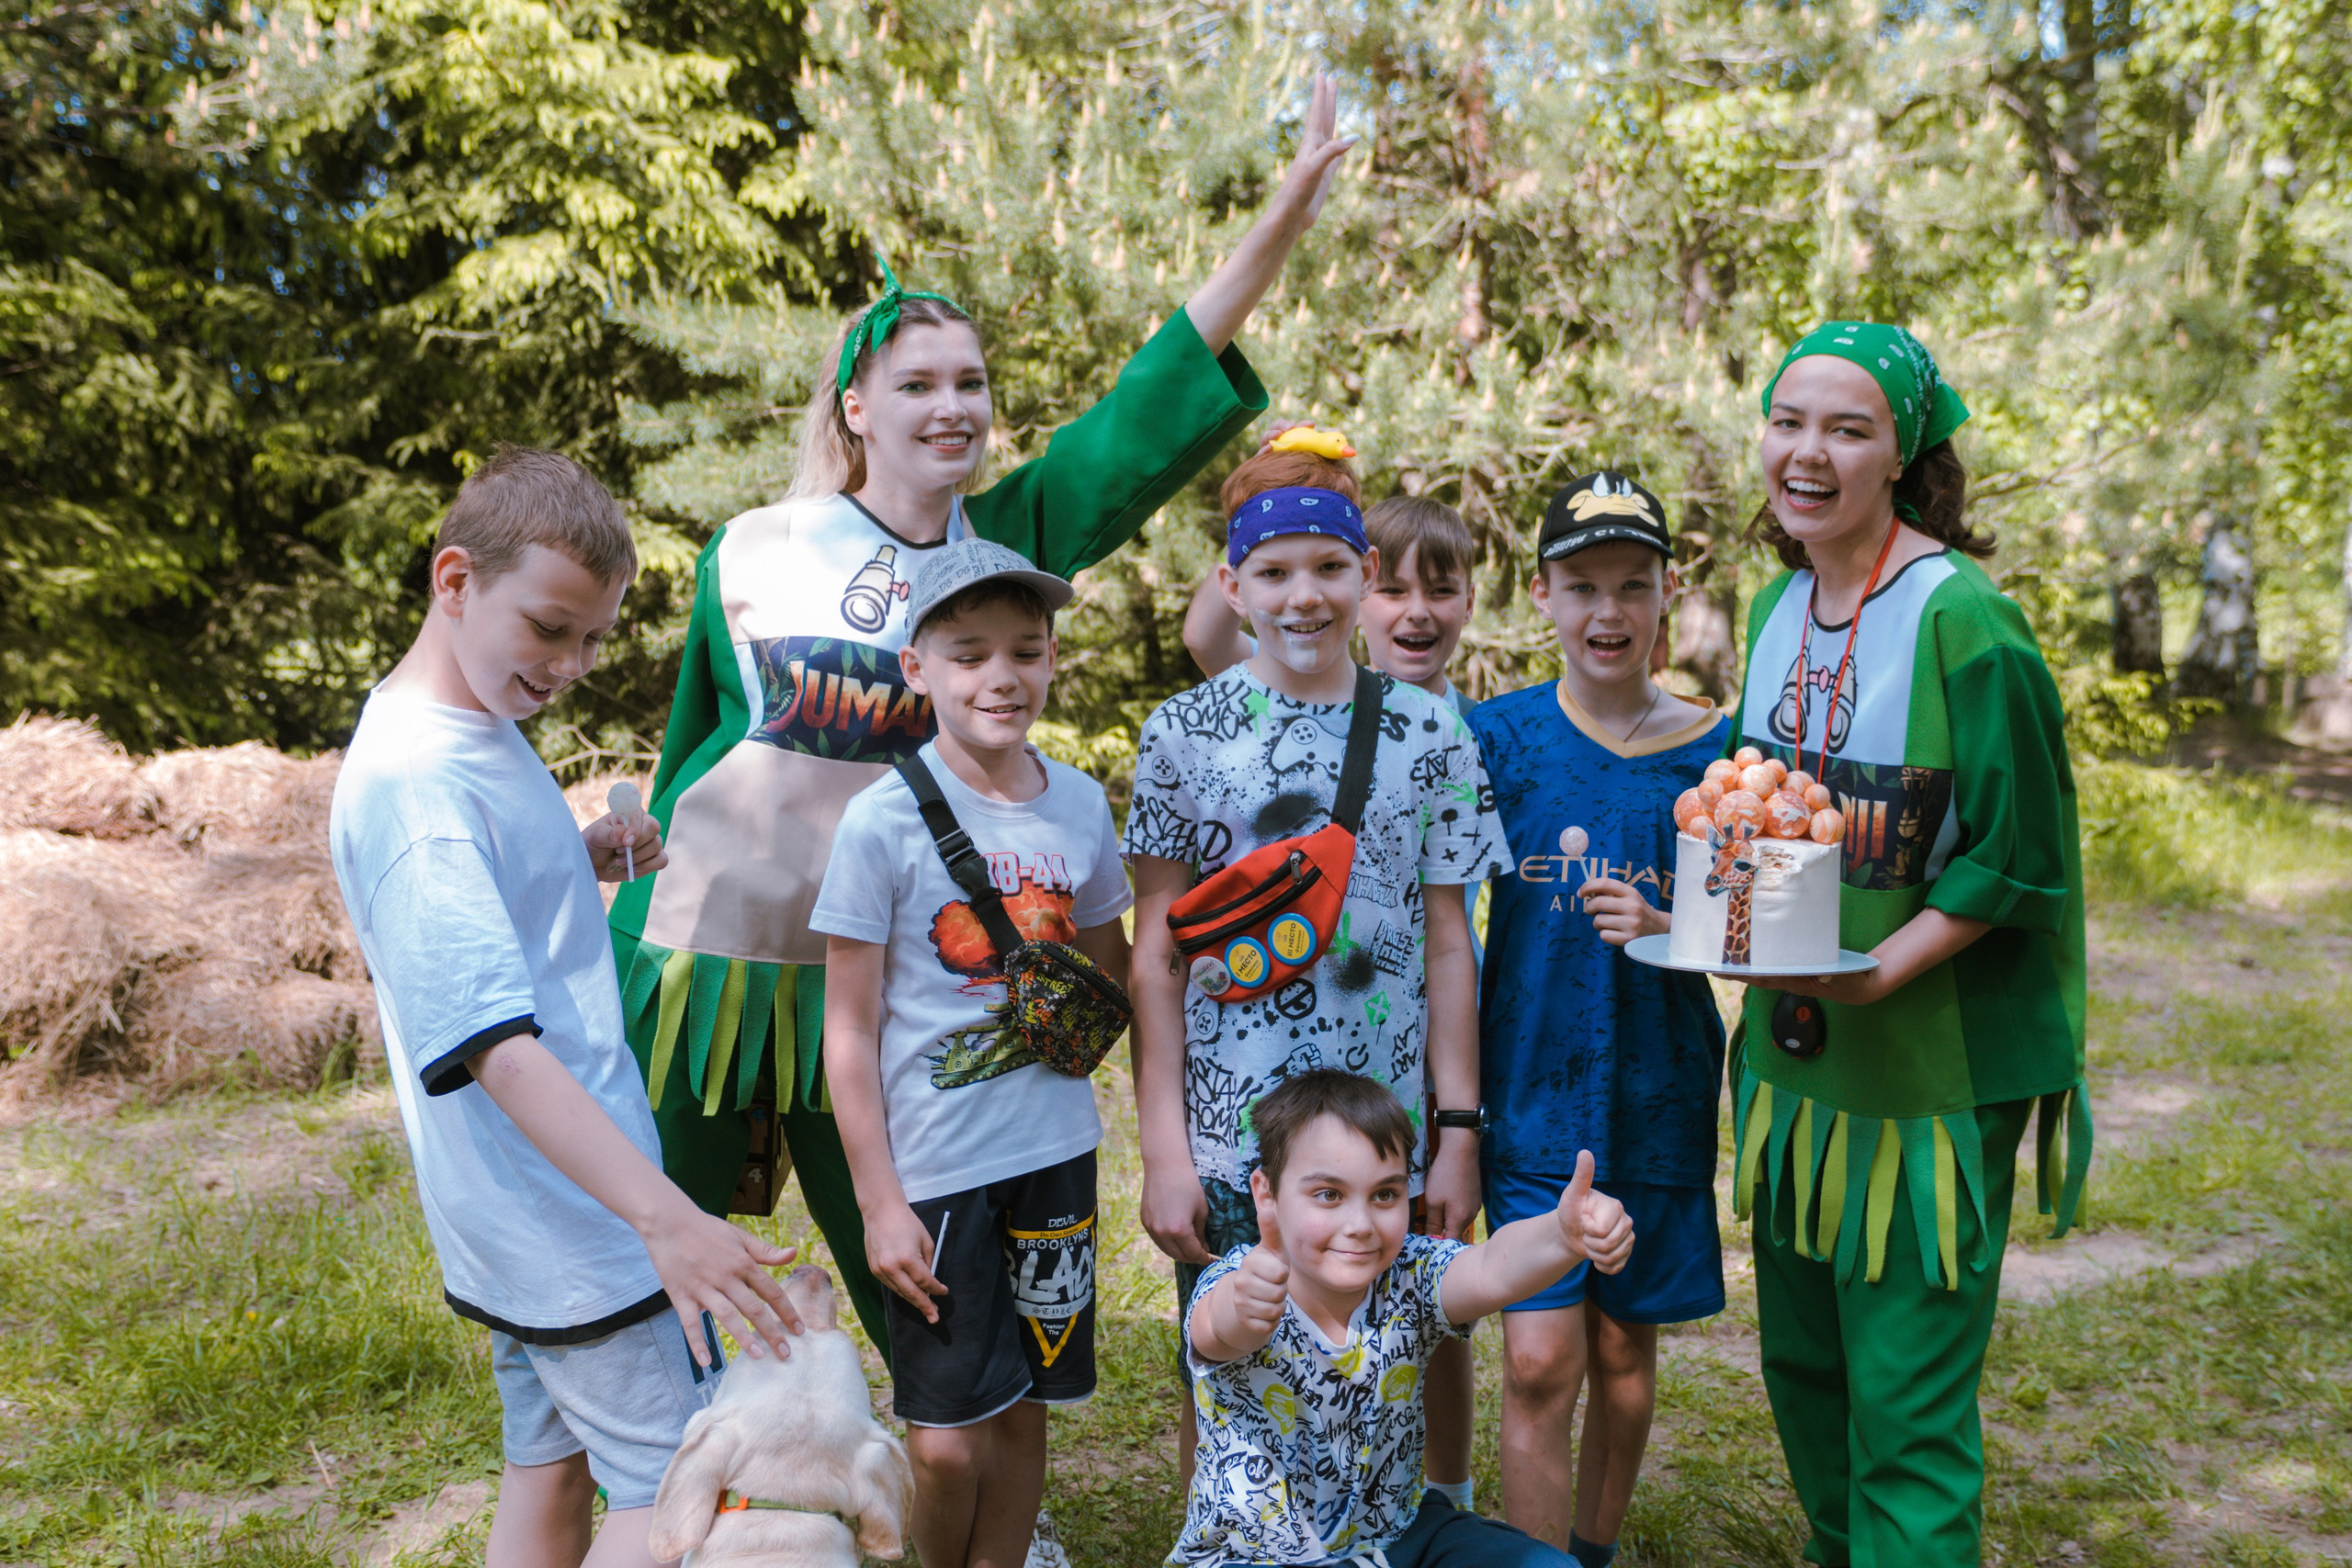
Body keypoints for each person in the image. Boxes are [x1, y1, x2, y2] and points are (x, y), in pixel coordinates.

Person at [606, 76, 1356, 1385]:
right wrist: (630, 832)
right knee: (656, 1254)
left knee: (920, 1253)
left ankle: (968, 1463)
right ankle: (661, 1481)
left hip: (888, 980)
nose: (952, 404)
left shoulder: (1009, 544)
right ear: (856, 405)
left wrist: (1287, 207)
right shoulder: (753, 549)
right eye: (918, 383)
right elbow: (696, 750)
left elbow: (1150, 400)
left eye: (971, 382)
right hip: (703, 964)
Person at [328, 448, 803, 1568]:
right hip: (572, 1220)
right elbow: (496, 1050)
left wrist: (576, 859)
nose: (573, 664)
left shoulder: (468, 729)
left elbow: (483, 929)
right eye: (550, 629)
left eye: (594, 638)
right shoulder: (419, 792)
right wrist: (666, 1219)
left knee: (548, 1462)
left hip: (526, 1222)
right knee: (679, 1484)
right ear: (456, 580)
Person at [1729, 323, 2088, 1568]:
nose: (1807, 452)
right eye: (1789, 421)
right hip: (1795, 1064)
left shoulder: (1967, 618)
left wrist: (1881, 967)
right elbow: (1754, 815)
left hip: (1926, 1077)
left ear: (1904, 454)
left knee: (1908, 1400)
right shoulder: (1777, 604)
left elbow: (2019, 852)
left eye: (1847, 427)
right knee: (1809, 1372)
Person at [1124, 460, 1511, 1492]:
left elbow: (1446, 942)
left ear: (1364, 570)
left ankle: (1409, 1528)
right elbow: (1157, 955)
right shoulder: (1180, 734)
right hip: (1229, 1129)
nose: (1304, 596)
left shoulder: (1430, 730)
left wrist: (1458, 1134)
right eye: (1275, 572)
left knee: (1388, 1364)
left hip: (1384, 1134)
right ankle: (1228, 1546)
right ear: (1231, 584)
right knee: (1226, 1370)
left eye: (1330, 568)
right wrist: (1163, 1150)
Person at [811, 540, 1132, 1568]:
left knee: (1030, 1400)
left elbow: (1110, 976)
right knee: (946, 1443)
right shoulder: (879, 822)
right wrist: (877, 1203)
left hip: (1053, 1156)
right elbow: (848, 1030)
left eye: (1026, 651)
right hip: (936, 1172)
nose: (1002, 676)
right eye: (969, 654)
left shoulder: (1080, 805)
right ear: (916, 668)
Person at [1464, 473, 1729, 1568]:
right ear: (1541, 595)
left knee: (1623, 1352)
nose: (1607, 613)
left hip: (1656, 1094)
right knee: (1537, 1361)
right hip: (1528, 1094)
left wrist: (1675, 922)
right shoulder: (1493, 740)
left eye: (1632, 586)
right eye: (1581, 587)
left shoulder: (1723, 754)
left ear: (1669, 594)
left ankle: (1588, 1549)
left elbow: (1764, 932)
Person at [1173, 1068, 1634, 1568]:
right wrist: (1244, 1308)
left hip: (1397, 1536)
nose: (1360, 1225)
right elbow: (1217, 1330)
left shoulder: (1411, 1272)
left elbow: (1490, 1268)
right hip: (1256, 1556)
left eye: (1385, 1194)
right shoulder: (1236, 1281)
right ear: (1266, 1193)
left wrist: (1562, 1235)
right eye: (1328, 1194)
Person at [1182, 448, 1478, 717]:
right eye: (1393, 591)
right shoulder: (1300, 687)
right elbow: (1205, 639)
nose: (1418, 612)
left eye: (1440, 591)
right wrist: (1252, 516)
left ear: (1469, 603)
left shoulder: (1490, 733)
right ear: (1363, 584)